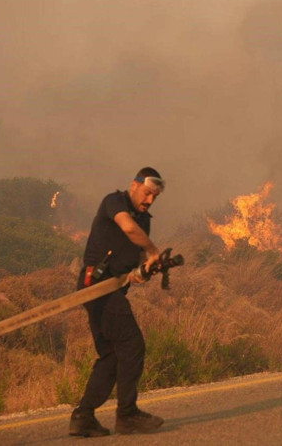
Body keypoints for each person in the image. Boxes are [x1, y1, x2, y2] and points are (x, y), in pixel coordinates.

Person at [69, 168, 167, 437]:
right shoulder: (115, 202)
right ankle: (127, 415)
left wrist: (144, 271)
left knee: (111, 356)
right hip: (97, 286)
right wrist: (153, 250)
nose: (149, 200)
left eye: (154, 197)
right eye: (147, 193)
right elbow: (127, 227)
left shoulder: (144, 220)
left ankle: (83, 417)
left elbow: (133, 271)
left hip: (115, 288)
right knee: (132, 344)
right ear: (134, 185)